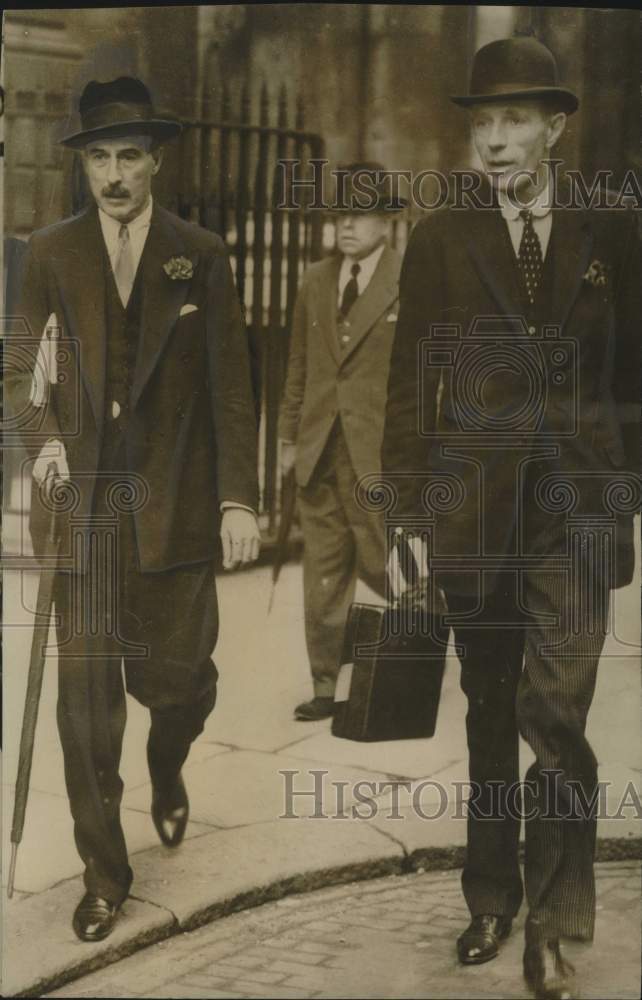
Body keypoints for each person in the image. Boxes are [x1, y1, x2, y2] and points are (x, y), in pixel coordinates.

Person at [382, 37, 640, 1000]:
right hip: (475, 507)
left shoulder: (611, 228)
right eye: (481, 122)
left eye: (515, 120)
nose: (493, 142)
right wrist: (406, 504)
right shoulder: (443, 233)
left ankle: (554, 921)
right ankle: (488, 893)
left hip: (574, 511)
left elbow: (634, 373)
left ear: (556, 128)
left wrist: (624, 484)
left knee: (555, 709)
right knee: (491, 707)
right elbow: (413, 378)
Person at [6, 77, 261, 942]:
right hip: (82, 514)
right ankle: (104, 874)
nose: (113, 175)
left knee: (178, 682)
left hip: (178, 510)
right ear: (84, 165)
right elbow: (13, 367)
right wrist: (41, 445)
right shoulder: (49, 250)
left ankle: (170, 755)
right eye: (99, 159)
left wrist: (237, 499)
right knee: (84, 705)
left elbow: (234, 387)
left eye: (129, 157)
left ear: (156, 161)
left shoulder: (203, 254)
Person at [279, 163, 403, 721]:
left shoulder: (410, 278)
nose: (347, 225)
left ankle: (408, 665)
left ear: (389, 220)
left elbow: (423, 378)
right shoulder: (315, 280)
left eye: (361, 213)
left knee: (389, 565)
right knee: (324, 571)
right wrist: (287, 437)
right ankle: (326, 683)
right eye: (339, 215)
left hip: (376, 453)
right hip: (320, 448)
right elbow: (299, 368)